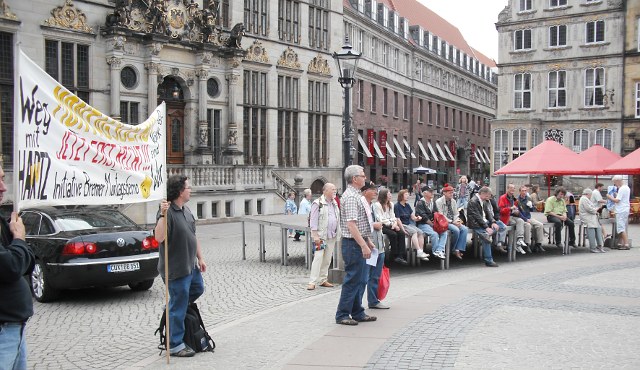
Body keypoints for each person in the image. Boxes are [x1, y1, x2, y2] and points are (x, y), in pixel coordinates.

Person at [155, 175, 207, 357]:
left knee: (198, 289)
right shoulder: (167, 212)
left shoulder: (186, 210)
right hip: (175, 268)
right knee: (178, 304)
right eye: (188, 187)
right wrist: (162, 214)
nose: (190, 190)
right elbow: (159, 238)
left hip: (190, 265)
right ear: (179, 191)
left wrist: (200, 258)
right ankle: (175, 344)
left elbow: (193, 236)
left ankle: (172, 308)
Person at [0, 164, 34, 370]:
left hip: (14, 330)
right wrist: (20, 239)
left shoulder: (3, 222)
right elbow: (11, 266)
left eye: (3, 178)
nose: (3, 187)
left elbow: (26, 262)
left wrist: (19, 242)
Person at [335, 165, 377, 326]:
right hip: (352, 244)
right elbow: (351, 225)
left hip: (357, 243)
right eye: (362, 175)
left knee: (359, 280)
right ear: (354, 179)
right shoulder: (352, 197)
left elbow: (359, 223)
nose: (365, 177)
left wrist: (367, 240)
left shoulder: (355, 195)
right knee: (353, 279)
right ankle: (342, 314)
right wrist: (363, 245)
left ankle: (357, 311)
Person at [360, 181, 389, 309]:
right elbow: (357, 225)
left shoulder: (373, 205)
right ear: (365, 191)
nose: (376, 192)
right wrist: (374, 225)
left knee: (375, 275)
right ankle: (360, 304)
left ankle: (373, 300)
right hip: (370, 245)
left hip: (378, 245)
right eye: (373, 190)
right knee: (366, 276)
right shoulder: (361, 204)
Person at [307, 184, 340, 290]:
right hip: (321, 236)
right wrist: (315, 236)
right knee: (318, 257)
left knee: (327, 259)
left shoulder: (334, 203)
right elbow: (313, 221)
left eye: (335, 189)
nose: (335, 191)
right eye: (332, 189)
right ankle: (312, 281)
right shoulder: (318, 203)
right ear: (325, 191)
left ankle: (323, 279)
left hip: (331, 236)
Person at [373, 188, 408, 266]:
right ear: (384, 195)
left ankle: (400, 255)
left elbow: (393, 216)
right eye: (389, 194)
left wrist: (395, 224)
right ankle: (394, 255)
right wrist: (392, 224)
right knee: (393, 234)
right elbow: (381, 219)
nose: (390, 196)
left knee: (401, 233)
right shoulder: (377, 205)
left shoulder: (391, 204)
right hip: (383, 225)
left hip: (392, 224)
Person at [467, 187, 499, 267]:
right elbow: (477, 217)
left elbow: (488, 213)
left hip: (484, 222)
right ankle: (489, 260)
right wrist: (486, 227)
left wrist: (493, 222)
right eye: (487, 196)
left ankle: (493, 240)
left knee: (500, 226)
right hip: (476, 223)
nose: (488, 198)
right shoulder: (473, 201)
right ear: (483, 194)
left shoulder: (483, 201)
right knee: (486, 237)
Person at [394, 189, 429, 261]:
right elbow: (398, 219)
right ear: (401, 196)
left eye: (407, 194)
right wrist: (403, 229)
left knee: (421, 232)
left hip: (408, 224)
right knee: (414, 232)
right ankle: (418, 251)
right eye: (406, 195)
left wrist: (418, 218)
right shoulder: (397, 206)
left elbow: (412, 217)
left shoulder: (407, 205)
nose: (408, 196)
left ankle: (421, 252)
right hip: (402, 224)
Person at [436, 184, 468, 260]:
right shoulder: (439, 201)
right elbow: (441, 215)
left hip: (453, 221)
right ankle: (451, 248)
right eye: (450, 193)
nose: (452, 194)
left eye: (452, 192)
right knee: (456, 230)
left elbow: (456, 213)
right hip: (444, 222)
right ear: (444, 193)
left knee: (464, 229)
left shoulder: (453, 201)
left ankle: (457, 249)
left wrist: (456, 221)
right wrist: (452, 222)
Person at [415, 186, 448, 260]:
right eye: (430, 192)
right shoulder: (420, 203)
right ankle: (435, 251)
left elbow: (436, 213)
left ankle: (439, 250)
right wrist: (433, 225)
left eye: (432, 191)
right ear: (424, 193)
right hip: (423, 224)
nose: (432, 193)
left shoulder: (433, 202)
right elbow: (423, 217)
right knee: (434, 234)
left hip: (432, 224)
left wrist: (437, 224)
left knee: (444, 232)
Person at [498, 184, 530, 254]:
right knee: (519, 224)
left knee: (521, 221)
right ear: (507, 189)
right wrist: (510, 209)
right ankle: (512, 245)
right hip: (505, 217)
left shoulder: (514, 199)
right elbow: (500, 210)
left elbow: (517, 211)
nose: (512, 189)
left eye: (514, 188)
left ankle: (519, 239)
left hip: (512, 216)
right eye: (511, 188)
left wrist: (516, 211)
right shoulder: (503, 197)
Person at [516, 185, 545, 253]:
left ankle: (538, 244)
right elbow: (517, 212)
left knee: (540, 225)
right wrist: (525, 219)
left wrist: (531, 206)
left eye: (525, 191)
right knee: (528, 226)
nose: (524, 192)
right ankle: (527, 244)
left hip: (529, 217)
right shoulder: (517, 200)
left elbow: (533, 209)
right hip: (522, 218)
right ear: (520, 192)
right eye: (522, 191)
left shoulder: (528, 198)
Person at [608, 175, 631, 250]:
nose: (615, 184)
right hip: (625, 209)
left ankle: (626, 244)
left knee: (621, 227)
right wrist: (616, 196)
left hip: (621, 209)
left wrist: (610, 197)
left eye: (615, 182)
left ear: (618, 181)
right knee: (621, 226)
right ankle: (620, 243)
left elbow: (617, 200)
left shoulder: (621, 188)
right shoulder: (627, 187)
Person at [579, 188, 605, 253]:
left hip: (592, 218)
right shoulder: (584, 199)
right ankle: (593, 247)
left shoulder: (586, 199)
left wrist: (595, 210)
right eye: (591, 195)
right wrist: (596, 211)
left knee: (598, 229)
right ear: (588, 194)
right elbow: (588, 208)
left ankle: (600, 246)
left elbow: (591, 207)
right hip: (588, 218)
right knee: (592, 232)